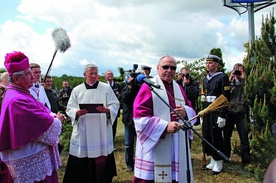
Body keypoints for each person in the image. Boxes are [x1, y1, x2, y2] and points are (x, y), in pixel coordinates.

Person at [0, 51, 66, 183]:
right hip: (30, 161)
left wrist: (52, 115)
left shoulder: (22, 93)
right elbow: (43, 126)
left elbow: (42, 110)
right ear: (17, 79)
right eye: (28, 74)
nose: (33, 77)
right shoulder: (17, 100)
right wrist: (57, 120)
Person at [132, 55, 197, 182]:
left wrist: (186, 111)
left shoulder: (178, 87)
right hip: (156, 141)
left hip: (176, 142)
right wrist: (165, 127)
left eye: (173, 68)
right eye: (165, 67)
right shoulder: (148, 87)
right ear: (157, 68)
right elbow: (139, 117)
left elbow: (190, 108)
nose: (169, 70)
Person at [63, 64, 120, 183]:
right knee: (82, 159)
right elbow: (69, 108)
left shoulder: (106, 88)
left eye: (96, 73)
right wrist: (77, 112)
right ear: (85, 75)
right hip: (84, 128)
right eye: (91, 73)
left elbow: (115, 104)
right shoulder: (77, 90)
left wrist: (108, 110)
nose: (94, 76)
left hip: (101, 128)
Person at [201, 54, 230, 175]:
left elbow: (226, 97)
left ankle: (219, 162)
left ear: (217, 64)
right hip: (207, 111)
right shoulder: (205, 79)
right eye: (207, 63)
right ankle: (212, 159)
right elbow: (203, 96)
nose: (208, 65)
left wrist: (222, 115)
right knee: (207, 135)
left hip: (217, 112)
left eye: (211, 63)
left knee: (216, 136)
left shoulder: (222, 77)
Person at [223, 63, 250, 165]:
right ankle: (225, 157)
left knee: (244, 137)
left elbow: (247, 89)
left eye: (239, 70)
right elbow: (224, 91)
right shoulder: (231, 83)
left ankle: (246, 161)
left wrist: (242, 76)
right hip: (230, 113)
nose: (237, 71)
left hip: (241, 113)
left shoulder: (245, 83)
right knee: (226, 137)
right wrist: (230, 77)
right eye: (235, 69)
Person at [121, 76, 141, 172]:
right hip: (129, 119)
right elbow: (125, 98)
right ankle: (129, 163)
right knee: (128, 143)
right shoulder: (126, 87)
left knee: (141, 142)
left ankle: (139, 162)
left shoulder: (141, 88)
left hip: (140, 119)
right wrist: (129, 86)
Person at [104, 70, 122, 142]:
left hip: (114, 110)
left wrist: (119, 95)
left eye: (111, 74)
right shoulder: (102, 85)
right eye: (108, 74)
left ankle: (112, 143)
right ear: (105, 77)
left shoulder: (118, 86)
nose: (110, 75)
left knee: (113, 127)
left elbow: (122, 97)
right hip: (104, 109)